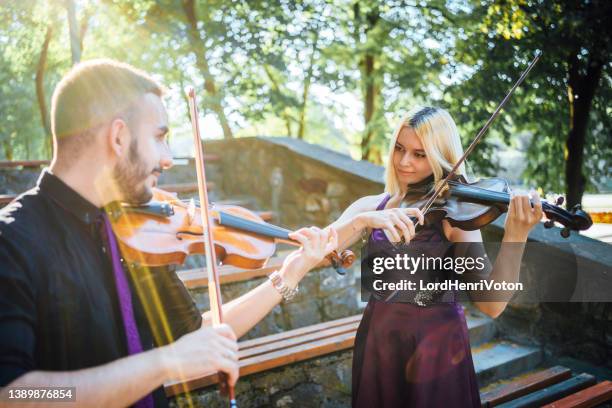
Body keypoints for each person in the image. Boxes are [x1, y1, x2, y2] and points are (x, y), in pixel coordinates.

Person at [0, 59, 337, 407]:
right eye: (160, 137)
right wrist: (163, 363)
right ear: (118, 136)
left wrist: (288, 275)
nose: (169, 158)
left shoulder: (136, 234)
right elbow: (12, 395)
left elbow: (196, 338)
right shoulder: (12, 241)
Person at [331, 106, 543, 407]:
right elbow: (319, 246)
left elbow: (492, 304)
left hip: (436, 350)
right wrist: (355, 228)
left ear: (442, 157)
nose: (405, 162)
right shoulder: (373, 206)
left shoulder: (453, 214)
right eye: (400, 149)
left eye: (420, 154)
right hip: (379, 342)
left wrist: (516, 235)